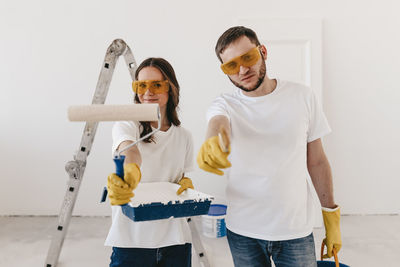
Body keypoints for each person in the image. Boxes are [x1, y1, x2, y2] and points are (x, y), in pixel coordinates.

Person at [197, 26, 342, 267]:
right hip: (243, 232)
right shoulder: (225, 104)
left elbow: (316, 160)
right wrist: (213, 139)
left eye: (248, 58)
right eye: (231, 66)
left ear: (262, 51)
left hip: (294, 231)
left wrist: (331, 216)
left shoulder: (302, 96)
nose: (242, 70)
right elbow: (217, 122)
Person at [105, 57, 195, 267]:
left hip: (175, 241)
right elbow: (130, 150)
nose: (148, 92)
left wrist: (186, 185)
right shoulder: (127, 123)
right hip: (132, 241)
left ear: (170, 88)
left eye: (157, 85)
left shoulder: (184, 136)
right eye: (141, 85)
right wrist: (131, 171)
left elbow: (181, 176)